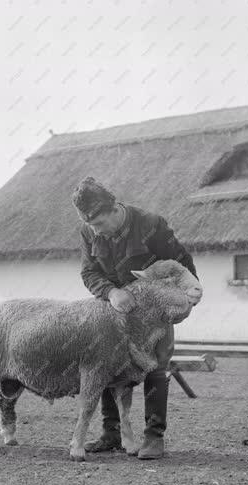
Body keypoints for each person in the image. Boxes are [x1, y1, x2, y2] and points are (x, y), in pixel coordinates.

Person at [72, 176, 199, 459]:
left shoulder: (152, 224)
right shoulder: (88, 231)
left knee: (155, 367)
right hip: (114, 311)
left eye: (100, 224)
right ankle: (111, 433)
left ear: (115, 209)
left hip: (153, 315)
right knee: (106, 365)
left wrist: (190, 292)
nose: (97, 232)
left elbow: (182, 264)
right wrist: (111, 291)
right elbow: (88, 272)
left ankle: (154, 438)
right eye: (92, 227)